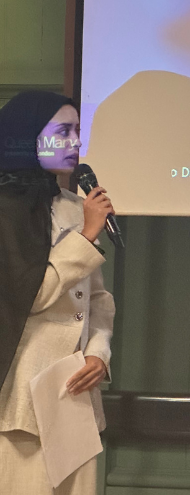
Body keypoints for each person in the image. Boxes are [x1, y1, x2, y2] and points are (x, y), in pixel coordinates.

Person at [0, 91, 117, 495]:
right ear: (27, 137)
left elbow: (98, 299)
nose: (76, 143)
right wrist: (86, 235)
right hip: (22, 400)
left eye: (78, 131)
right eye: (63, 131)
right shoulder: (5, 210)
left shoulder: (73, 205)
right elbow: (29, 297)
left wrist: (99, 354)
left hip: (76, 399)